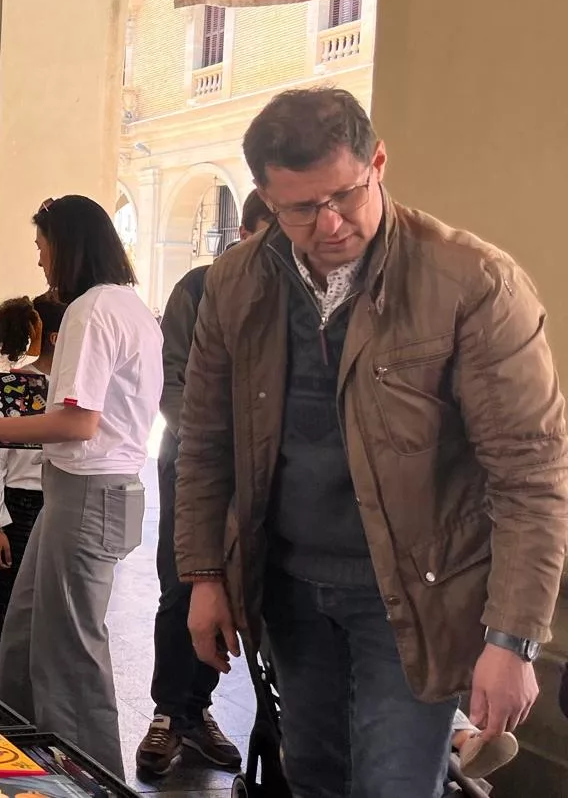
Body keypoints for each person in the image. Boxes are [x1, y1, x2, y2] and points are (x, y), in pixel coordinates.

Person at [175, 88, 568, 797]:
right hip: (290, 591)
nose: (330, 224)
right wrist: (205, 576)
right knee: (316, 777)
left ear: (378, 162)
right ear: (262, 197)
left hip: (416, 599)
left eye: (346, 195)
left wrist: (512, 640)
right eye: (300, 208)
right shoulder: (235, 284)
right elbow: (203, 439)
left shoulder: (473, 282)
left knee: (393, 785)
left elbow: (531, 476)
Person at [0, 195, 161, 777]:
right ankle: (18, 764)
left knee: (69, 654)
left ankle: (90, 779)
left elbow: (78, 421)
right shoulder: (127, 305)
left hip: (89, 493)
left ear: (67, 245)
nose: (39, 260)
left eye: (41, 246)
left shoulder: (92, 311)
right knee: (24, 641)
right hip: (81, 490)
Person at [136, 191, 272, 777]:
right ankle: (167, 714)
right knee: (184, 582)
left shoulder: (293, 293)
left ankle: (198, 711)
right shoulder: (199, 288)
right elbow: (173, 384)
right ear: (243, 231)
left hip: (264, 477)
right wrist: (223, 450)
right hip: (194, 465)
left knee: (237, 595)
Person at [0, 292, 66, 692]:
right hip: (22, 505)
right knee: (12, 613)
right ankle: (3, 703)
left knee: (53, 616)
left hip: (64, 502)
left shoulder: (74, 389)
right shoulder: (19, 384)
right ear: (53, 337)